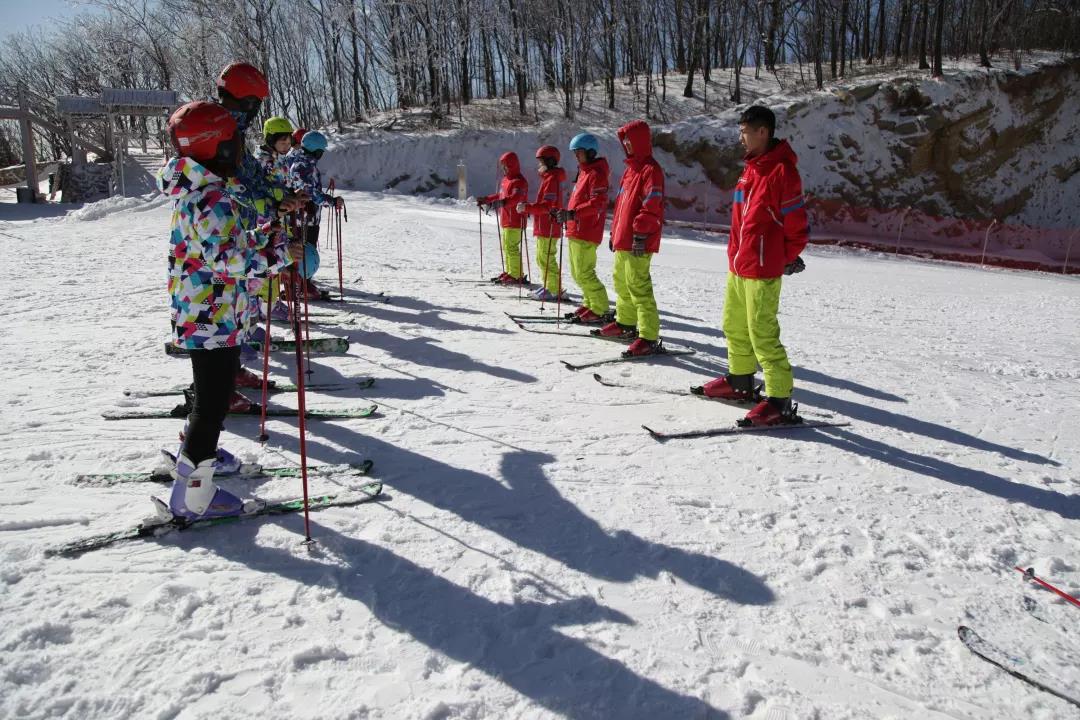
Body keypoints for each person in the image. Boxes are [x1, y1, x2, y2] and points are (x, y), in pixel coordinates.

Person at [157, 100, 299, 519]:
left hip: (208, 312)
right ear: (217, 148)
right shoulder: (212, 198)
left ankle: (198, 459)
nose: (240, 151)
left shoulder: (203, 193)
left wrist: (267, 240)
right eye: (235, 144)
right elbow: (227, 260)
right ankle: (192, 496)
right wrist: (276, 257)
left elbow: (223, 247)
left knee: (210, 394)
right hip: (212, 316)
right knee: (213, 401)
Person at [696, 105, 809, 426]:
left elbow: (797, 226)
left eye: (745, 132)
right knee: (733, 325)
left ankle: (779, 399)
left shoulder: (783, 172)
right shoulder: (751, 170)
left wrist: (785, 257)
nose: (741, 138)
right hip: (739, 264)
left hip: (762, 268)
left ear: (763, 131)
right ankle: (740, 381)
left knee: (763, 333)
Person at [597, 119, 665, 356]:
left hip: (639, 241)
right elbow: (621, 208)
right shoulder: (630, 171)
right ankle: (625, 323)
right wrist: (615, 233)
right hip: (623, 240)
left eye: (630, 140)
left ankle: (648, 336)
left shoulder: (650, 170)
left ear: (640, 141)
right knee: (621, 282)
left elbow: (652, 205)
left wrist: (640, 234)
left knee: (639, 287)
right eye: (624, 141)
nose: (626, 144)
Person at [554, 133, 610, 324]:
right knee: (577, 273)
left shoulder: (597, 174)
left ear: (591, 152)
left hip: (586, 230)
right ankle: (590, 303)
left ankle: (601, 308)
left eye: (579, 152)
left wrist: (573, 214)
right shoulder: (584, 172)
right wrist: (566, 213)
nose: (576, 155)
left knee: (585, 272)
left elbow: (598, 203)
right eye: (575, 152)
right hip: (576, 228)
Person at [285, 130, 344, 299]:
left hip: (303, 216)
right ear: (316, 150)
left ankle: (301, 283)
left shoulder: (299, 161)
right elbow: (311, 194)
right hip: (304, 217)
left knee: (303, 249)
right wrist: (333, 201)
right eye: (321, 151)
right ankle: (299, 285)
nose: (322, 154)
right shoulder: (304, 166)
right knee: (305, 251)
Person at [517, 145, 567, 301]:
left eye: (541, 161)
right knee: (542, 258)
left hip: (549, 226)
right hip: (544, 226)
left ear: (550, 161)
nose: (539, 165)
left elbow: (548, 206)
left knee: (546, 258)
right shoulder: (549, 178)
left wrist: (527, 207)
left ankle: (554, 289)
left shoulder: (552, 180)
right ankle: (549, 286)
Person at [478, 152, 529, 285]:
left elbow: (516, 198)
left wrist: (502, 203)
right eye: (502, 166)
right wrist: (487, 199)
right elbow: (500, 195)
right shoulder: (506, 180)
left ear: (512, 165)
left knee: (511, 247)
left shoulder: (519, 182)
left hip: (516, 219)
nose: (503, 168)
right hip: (506, 219)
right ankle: (511, 271)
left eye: (505, 166)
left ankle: (516, 275)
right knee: (507, 247)